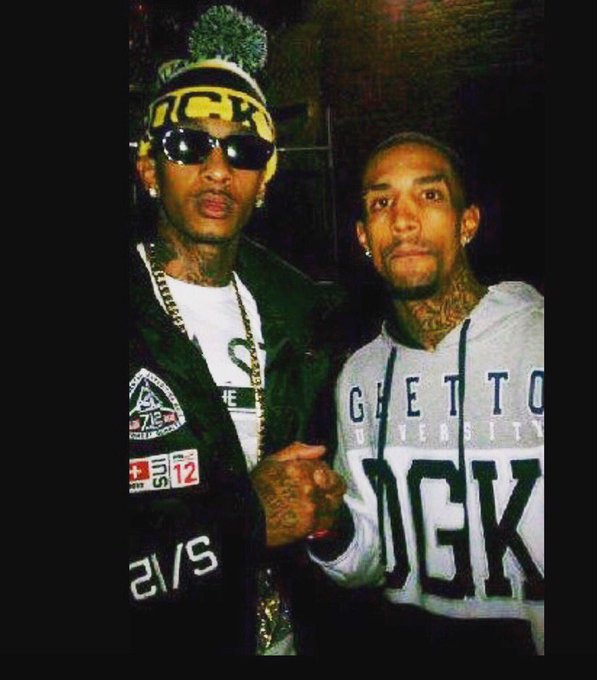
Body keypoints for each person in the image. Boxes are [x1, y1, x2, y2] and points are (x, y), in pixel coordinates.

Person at [129, 5, 345, 655]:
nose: (218, 169)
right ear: (149, 169)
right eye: (189, 145)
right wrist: (245, 521)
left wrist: (326, 516)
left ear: (264, 182)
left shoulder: (306, 320)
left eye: (243, 150)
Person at [309, 132, 544, 655]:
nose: (403, 220)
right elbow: (370, 559)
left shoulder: (539, 342)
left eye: (430, 195)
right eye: (381, 202)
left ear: (468, 223)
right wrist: (330, 525)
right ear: (363, 237)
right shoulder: (358, 376)